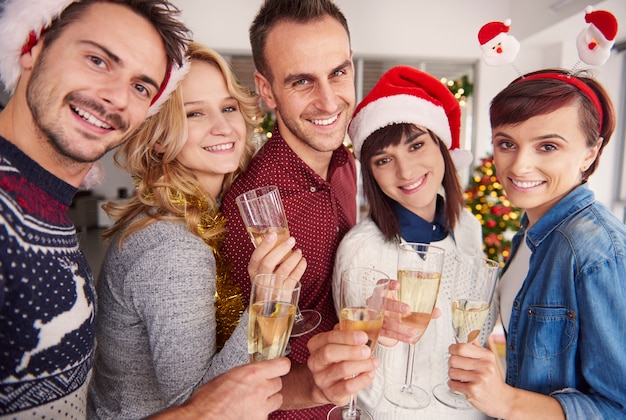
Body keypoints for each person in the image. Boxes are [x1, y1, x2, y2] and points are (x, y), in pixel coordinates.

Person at [86, 41, 307, 419]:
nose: (223, 127)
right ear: (158, 136)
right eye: (195, 114)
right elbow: (201, 404)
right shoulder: (173, 249)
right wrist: (269, 299)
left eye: (228, 107)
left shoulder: (212, 211)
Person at [0, 0, 190, 417]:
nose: (117, 98)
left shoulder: (46, 207)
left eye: (141, 87)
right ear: (33, 44)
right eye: (98, 60)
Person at [447, 68, 626, 419]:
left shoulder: (596, 251)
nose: (519, 165)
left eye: (548, 146)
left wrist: (506, 401)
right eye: (506, 143)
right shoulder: (532, 233)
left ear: (590, 153)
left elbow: (618, 407)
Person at [220, 0, 359, 417]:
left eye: (339, 72)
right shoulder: (254, 206)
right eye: (302, 81)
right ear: (266, 91)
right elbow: (241, 367)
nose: (329, 100)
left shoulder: (345, 160)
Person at [334, 65, 492, 419]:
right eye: (384, 160)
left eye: (417, 145)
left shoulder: (468, 229)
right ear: (371, 174)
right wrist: (375, 334)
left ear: (442, 147)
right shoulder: (361, 248)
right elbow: (353, 372)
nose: (405, 172)